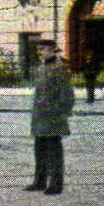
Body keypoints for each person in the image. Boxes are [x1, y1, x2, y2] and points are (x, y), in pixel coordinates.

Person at [25, 39, 74, 195]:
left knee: (54, 151)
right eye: (38, 49)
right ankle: (39, 181)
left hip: (53, 116)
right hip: (40, 116)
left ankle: (56, 183)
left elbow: (67, 94)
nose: (39, 52)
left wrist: (61, 113)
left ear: (52, 49)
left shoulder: (60, 68)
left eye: (43, 49)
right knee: (39, 150)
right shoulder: (40, 68)